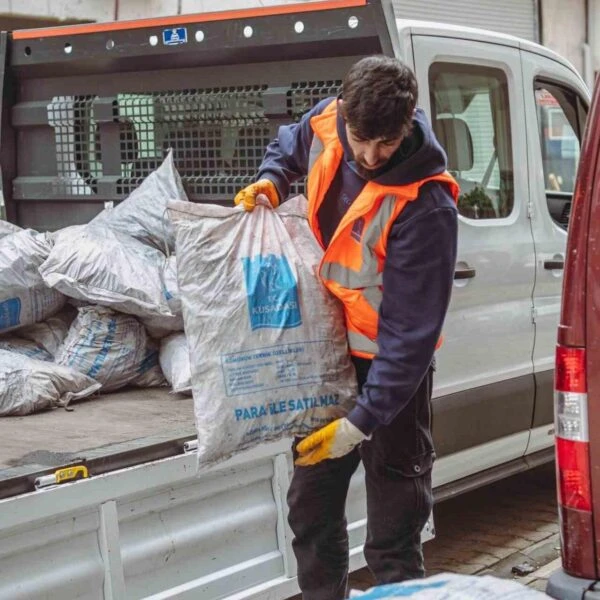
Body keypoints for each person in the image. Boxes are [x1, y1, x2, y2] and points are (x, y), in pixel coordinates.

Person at [234, 55, 459, 600]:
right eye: (361, 139)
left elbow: (410, 338)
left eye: (385, 142)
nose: (370, 155)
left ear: (408, 124)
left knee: (393, 536)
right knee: (310, 512)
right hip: (324, 359)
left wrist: (360, 423)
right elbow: (289, 144)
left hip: (391, 381)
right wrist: (270, 180)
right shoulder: (328, 122)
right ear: (343, 116)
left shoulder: (425, 203)